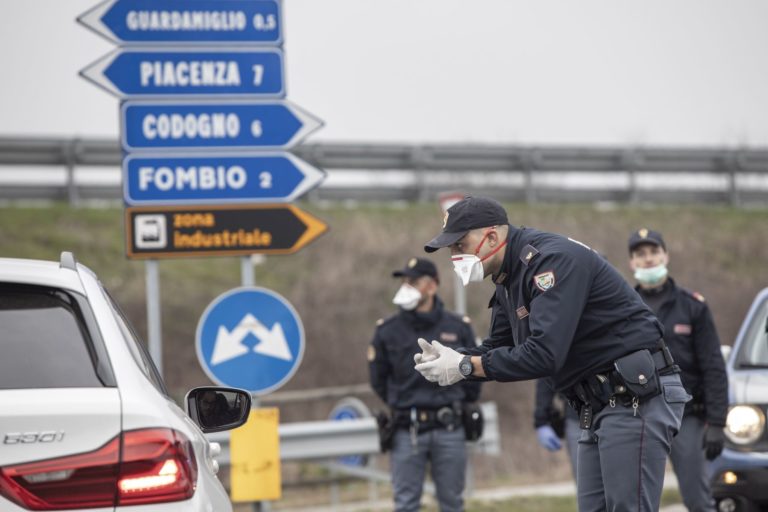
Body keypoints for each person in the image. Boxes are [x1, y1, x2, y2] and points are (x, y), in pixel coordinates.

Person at [413, 195, 689, 512]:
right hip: (597, 403)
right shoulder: (508, 277)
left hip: (633, 396)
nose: (454, 256)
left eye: (460, 245)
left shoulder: (549, 263)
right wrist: (450, 359)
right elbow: (499, 348)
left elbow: (543, 354)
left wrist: (464, 366)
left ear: (491, 236)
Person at [368, 257, 481, 512]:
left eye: (414, 281)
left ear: (431, 286)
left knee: (453, 503)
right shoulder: (387, 330)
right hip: (407, 430)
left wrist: (456, 401)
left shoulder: (457, 326)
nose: (407, 287)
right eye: (405, 281)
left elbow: (473, 374)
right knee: (406, 504)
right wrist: (403, 403)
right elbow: (378, 379)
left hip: (450, 427)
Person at [628, 228, 728, 512]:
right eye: (640, 254)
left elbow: (713, 365)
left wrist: (718, 422)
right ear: (631, 262)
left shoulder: (692, 306)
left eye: (653, 252)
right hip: (641, 415)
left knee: (698, 500)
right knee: (639, 500)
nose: (648, 259)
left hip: (687, 417)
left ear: (665, 255)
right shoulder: (625, 306)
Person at [533, 380, 580, 478]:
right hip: (576, 416)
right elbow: (546, 375)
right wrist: (541, 421)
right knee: (583, 478)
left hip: (615, 408)